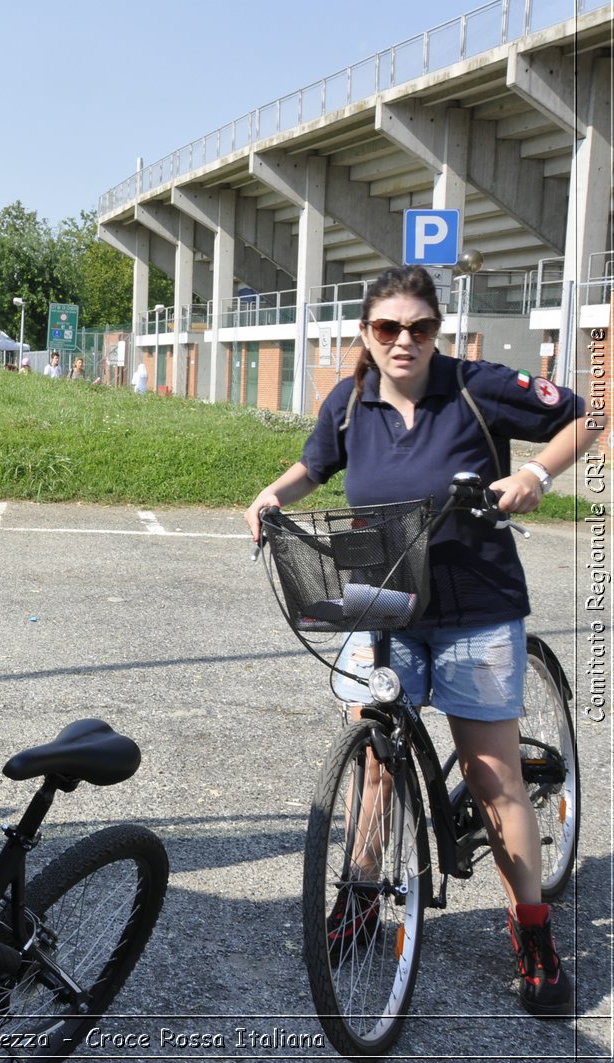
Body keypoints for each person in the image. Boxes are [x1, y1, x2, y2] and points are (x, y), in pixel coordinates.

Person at [243, 265, 596, 1018]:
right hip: (384, 600)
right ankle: (364, 899)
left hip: (477, 606)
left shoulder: (477, 386)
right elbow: (314, 465)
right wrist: (273, 495)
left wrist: (534, 471)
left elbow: (587, 416)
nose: (404, 341)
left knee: (493, 771)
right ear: (365, 336)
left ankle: (533, 932)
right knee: (374, 758)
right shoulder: (349, 402)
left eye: (419, 328)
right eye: (386, 328)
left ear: (439, 331)